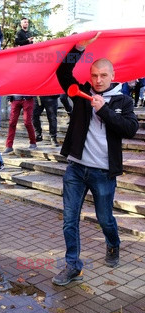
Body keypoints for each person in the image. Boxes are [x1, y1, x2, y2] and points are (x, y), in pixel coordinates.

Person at [52, 33, 139, 286]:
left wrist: (104, 109)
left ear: (113, 76)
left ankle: (113, 244)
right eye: (94, 75)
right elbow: (63, 71)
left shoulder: (123, 100)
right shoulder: (80, 94)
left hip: (103, 172)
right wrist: (78, 48)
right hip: (77, 169)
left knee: (105, 219)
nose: (98, 80)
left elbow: (129, 129)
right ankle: (73, 266)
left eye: (103, 75)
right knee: (69, 220)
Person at [3, 17, 36, 154]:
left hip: (27, 97)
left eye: (27, 22)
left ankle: (33, 142)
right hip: (16, 97)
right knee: (12, 122)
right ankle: (8, 145)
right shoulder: (15, 65)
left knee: (28, 122)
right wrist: (10, 97)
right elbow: (10, 80)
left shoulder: (31, 65)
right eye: (24, 22)